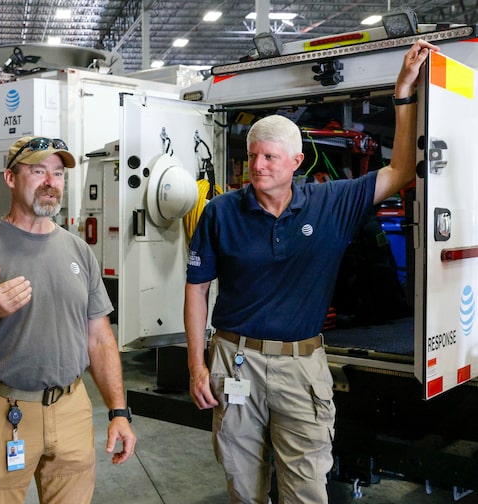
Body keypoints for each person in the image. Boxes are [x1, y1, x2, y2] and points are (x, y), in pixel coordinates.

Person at [183, 40, 437, 504]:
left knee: (306, 490)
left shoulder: (331, 202)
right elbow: (197, 290)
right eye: (253, 155)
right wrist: (197, 364)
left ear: (296, 163)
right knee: (242, 486)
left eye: (269, 158)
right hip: (233, 359)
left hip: (301, 370)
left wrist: (403, 94)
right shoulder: (220, 212)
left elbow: (401, 170)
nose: (256, 166)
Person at [0, 136, 136, 504]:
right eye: (38, 170)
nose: (50, 182)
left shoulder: (78, 251)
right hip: (3, 413)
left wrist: (119, 412)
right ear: (10, 178)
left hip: (72, 408)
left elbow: (100, 339)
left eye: (58, 173)